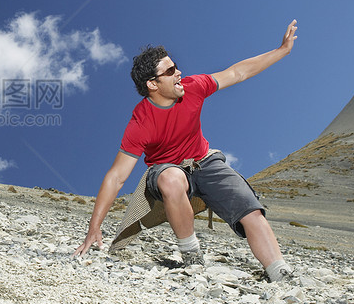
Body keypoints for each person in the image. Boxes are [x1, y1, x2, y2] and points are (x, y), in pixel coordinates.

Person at [74, 20, 298, 282]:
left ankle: (280, 272)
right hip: (167, 170)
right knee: (171, 178)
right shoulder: (140, 122)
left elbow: (238, 73)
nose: (179, 72)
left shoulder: (193, 87)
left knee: (250, 209)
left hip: (205, 160)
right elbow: (116, 177)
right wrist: (94, 228)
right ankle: (192, 258)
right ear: (153, 85)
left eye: (175, 66)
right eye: (170, 71)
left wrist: (281, 50)